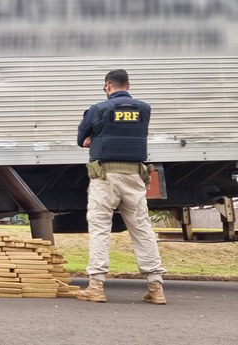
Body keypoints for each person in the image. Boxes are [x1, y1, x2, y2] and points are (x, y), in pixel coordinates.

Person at [76, 69, 166, 304]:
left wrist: (92, 139)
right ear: (129, 85)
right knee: (142, 229)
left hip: (104, 178)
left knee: (99, 228)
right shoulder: (144, 109)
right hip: (135, 177)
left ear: (107, 86)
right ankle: (156, 287)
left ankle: (96, 286)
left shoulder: (98, 109)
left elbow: (81, 139)